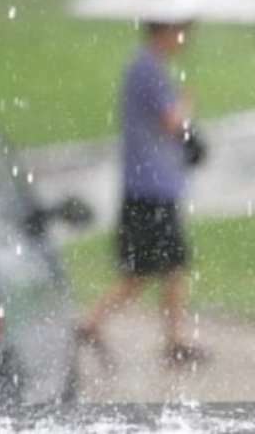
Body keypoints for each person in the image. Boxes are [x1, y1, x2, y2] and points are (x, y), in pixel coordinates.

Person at [76, 20, 207, 367]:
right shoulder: (147, 69)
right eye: (181, 31)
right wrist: (186, 105)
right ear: (163, 31)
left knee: (165, 266)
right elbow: (171, 122)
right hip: (151, 188)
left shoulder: (147, 68)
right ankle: (94, 324)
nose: (185, 39)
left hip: (153, 185)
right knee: (150, 270)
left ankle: (171, 337)